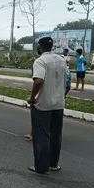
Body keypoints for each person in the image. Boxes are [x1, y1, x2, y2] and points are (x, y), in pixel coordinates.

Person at [27, 37, 66, 175]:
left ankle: (42, 167)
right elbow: (66, 81)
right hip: (59, 103)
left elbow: (38, 81)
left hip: (43, 103)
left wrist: (32, 98)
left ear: (40, 47)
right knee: (56, 134)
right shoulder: (62, 60)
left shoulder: (40, 61)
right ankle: (53, 164)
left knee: (41, 135)